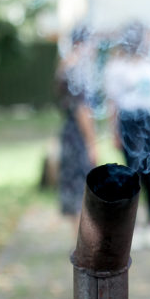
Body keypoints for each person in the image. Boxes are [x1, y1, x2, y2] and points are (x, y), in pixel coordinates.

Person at [104, 22, 150, 245]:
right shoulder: (117, 67)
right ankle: (132, 226)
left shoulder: (149, 64)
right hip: (128, 121)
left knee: (149, 173)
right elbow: (113, 102)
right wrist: (114, 131)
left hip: (147, 119)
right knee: (131, 173)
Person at [55, 26, 97, 222]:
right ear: (82, 43)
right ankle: (84, 244)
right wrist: (91, 143)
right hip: (78, 136)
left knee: (72, 187)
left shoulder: (64, 65)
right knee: (83, 187)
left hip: (68, 133)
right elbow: (82, 110)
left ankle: (78, 242)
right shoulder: (78, 68)